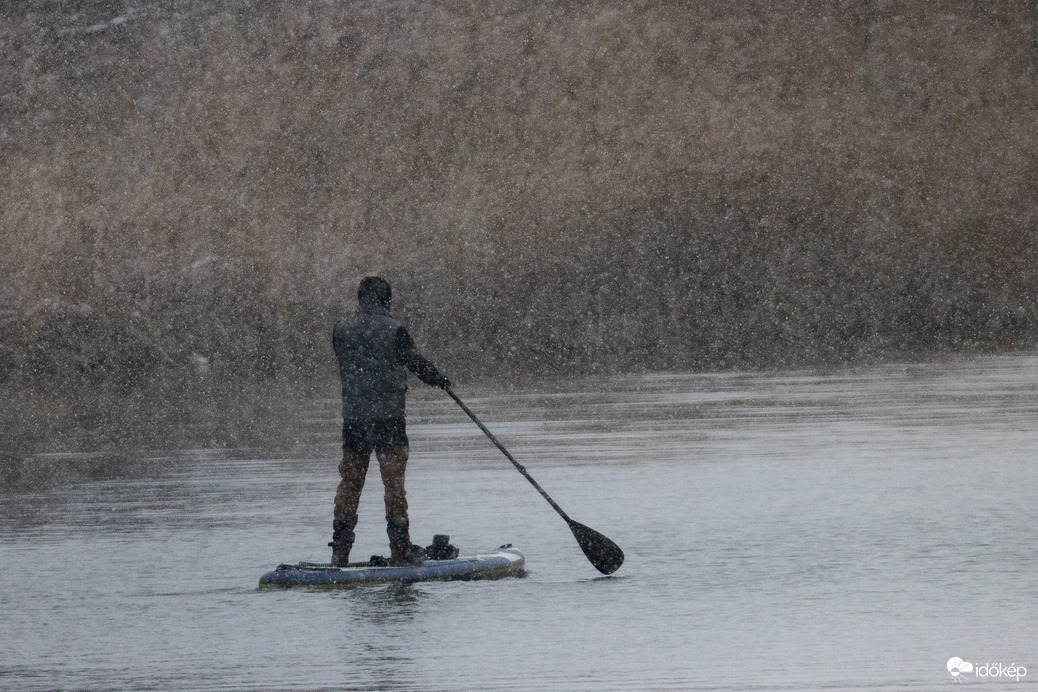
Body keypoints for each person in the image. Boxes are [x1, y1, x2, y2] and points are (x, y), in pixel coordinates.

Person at [329, 276, 451, 566]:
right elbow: (416, 363)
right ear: (387, 300)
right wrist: (440, 379)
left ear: (360, 299)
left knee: (349, 485)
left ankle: (339, 554)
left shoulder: (341, 330)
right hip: (389, 422)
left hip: (355, 421)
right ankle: (400, 550)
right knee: (394, 488)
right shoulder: (395, 330)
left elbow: (347, 360)